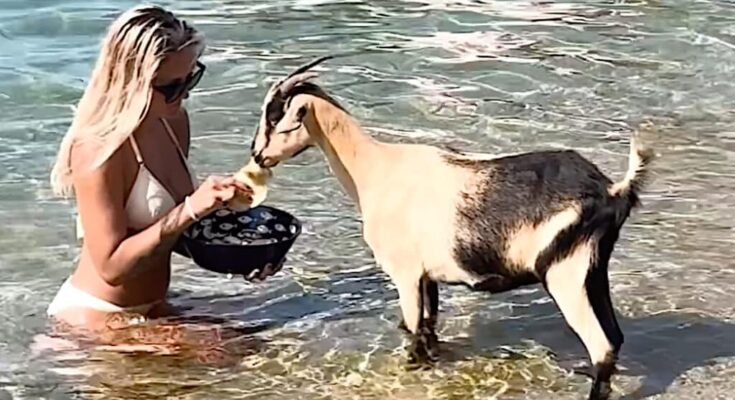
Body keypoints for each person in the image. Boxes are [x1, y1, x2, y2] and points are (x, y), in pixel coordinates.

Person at [47, 5, 281, 332]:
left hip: (151, 308)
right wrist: (189, 209)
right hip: (96, 316)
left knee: (262, 334)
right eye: (171, 86)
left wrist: (243, 254)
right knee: (236, 350)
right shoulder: (98, 149)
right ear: (131, 81)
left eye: (191, 79)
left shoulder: (172, 120)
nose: (182, 94)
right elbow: (111, 267)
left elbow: (168, 235)